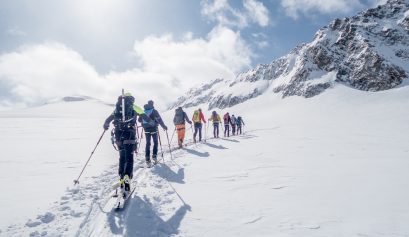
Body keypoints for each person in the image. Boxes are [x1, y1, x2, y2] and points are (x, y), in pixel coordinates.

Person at [103, 93, 152, 193]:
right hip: (129, 134)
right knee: (129, 158)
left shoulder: (118, 107)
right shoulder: (134, 107)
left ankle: (121, 178)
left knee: (122, 157)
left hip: (118, 135)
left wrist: (106, 125)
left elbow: (108, 120)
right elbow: (146, 118)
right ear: (131, 99)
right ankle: (127, 179)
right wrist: (152, 122)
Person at [138, 100, 167, 166]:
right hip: (153, 128)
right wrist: (164, 126)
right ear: (152, 104)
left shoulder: (143, 111)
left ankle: (147, 158)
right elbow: (159, 120)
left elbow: (139, 120)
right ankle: (154, 156)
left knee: (148, 143)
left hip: (146, 129)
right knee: (155, 142)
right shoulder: (154, 111)